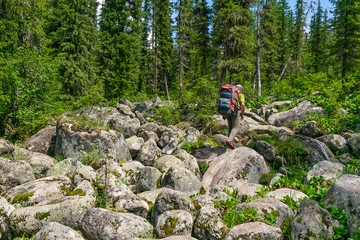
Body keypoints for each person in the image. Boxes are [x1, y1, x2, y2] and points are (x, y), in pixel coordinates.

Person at [225, 84, 245, 149]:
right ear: (240, 89)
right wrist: (242, 114)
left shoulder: (230, 94)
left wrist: (224, 114)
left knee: (230, 127)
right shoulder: (240, 94)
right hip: (235, 112)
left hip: (228, 111)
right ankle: (230, 140)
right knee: (236, 127)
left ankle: (229, 144)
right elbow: (242, 105)